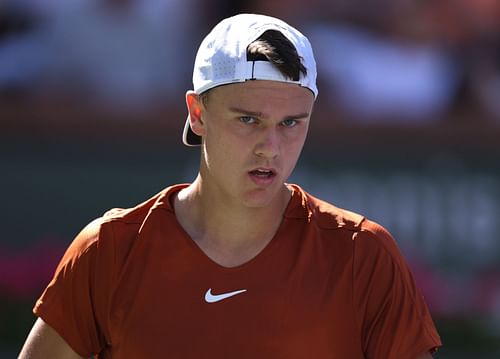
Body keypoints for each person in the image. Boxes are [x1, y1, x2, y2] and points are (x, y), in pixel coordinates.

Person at [19, 13, 442, 359]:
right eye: (248, 120)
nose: (270, 148)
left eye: (291, 123)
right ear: (197, 113)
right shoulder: (110, 249)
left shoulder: (363, 255)